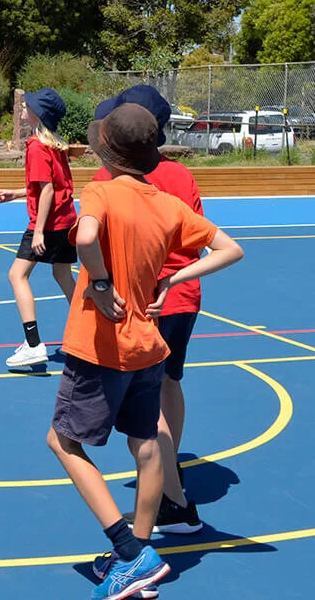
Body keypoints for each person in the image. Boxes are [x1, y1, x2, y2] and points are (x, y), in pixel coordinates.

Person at [47, 103, 243, 600]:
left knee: (63, 442)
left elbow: (86, 236)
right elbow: (230, 249)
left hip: (100, 345)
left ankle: (131, 552)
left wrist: (100, 282)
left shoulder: (101, 192)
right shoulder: (168, 204)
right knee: (148, 444)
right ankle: (134, 554)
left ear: (107, 152)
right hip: (147, 346)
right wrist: (174, 276)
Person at [92, 86, 207, 535]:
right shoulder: (180, 175)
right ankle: (168, 472)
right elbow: (197, 238)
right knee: (170, 385)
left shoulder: (113, 179)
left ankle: (172, 498)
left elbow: (97, 240)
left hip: (142, 301)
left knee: (142, 414)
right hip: (183, 294)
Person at [0, 88, 77, 369]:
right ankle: (86, 334)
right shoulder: (55, 145)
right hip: (67, 221)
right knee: (63, 275)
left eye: (26, 105)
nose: (22, 108)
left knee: (17, 275)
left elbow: (48, 190)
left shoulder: (36, 147)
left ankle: (33, 345)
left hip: (49, 224)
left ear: (37, 114)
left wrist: (39, 230)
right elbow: (48, 186)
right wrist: (16, 194)